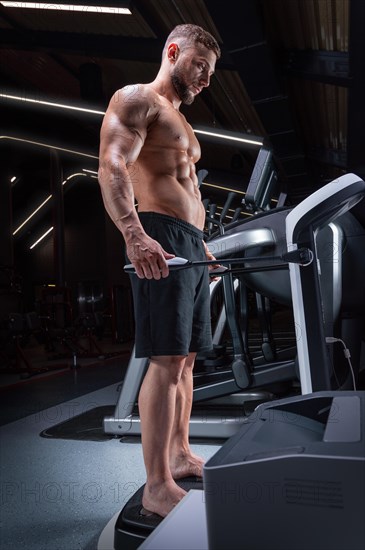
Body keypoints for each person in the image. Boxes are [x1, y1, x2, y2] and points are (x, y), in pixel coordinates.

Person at [98, 24, 221, 518]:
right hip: (158, 237)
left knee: (187, 361)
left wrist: (203, 246)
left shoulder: (183, 124)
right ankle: (156, 485)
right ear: (173, 52)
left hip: (190, 245)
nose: (205, 79)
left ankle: (179, 453)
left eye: (211, 73)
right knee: (166, 361)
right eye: (198, 65)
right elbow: (112, 164)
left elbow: (187, 189)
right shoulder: (137, 100)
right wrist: (133, 233)